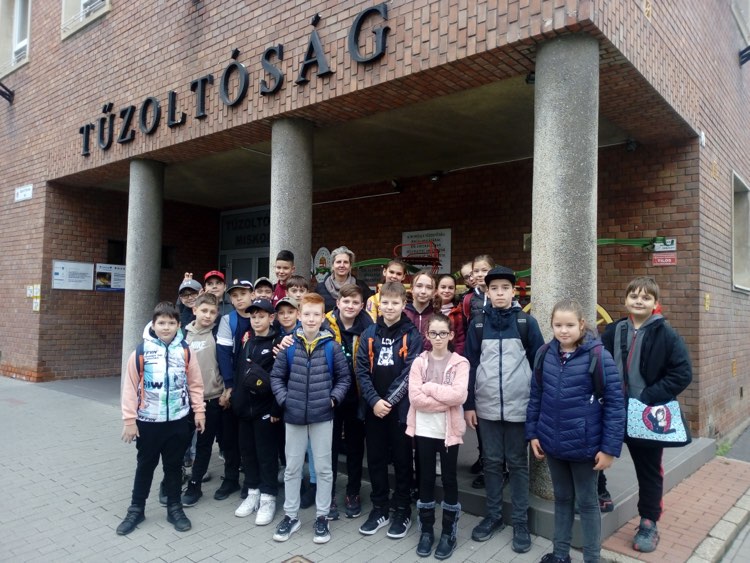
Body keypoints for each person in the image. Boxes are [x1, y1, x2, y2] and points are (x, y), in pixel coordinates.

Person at [527, 299, 625, 563]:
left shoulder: (598, 356)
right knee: (562, 499)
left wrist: (609, 449)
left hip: (585, 446)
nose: (563, 330)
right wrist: (533, 433)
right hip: (552, 443)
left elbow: (615, 405)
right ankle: (560, 554)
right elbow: (536, 396)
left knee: (588, 503)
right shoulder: (544, 354)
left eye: (569, 325)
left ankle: (592, 558)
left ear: (581, 324)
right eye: (558, 325)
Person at [602, 276, 692, 553]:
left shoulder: (666, 334)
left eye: (645, 297)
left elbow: (682, 373)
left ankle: (649, 522)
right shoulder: (613, 330)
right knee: (596, 454)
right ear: (626, 300)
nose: (639, 301)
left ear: (655, 303)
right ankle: (600, 492)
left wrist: (647, 397)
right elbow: (597, 363)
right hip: (613, 410)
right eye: (634, 296)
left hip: (646, 414)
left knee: (649, 470)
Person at [463, 266, 544, 551]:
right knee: (492, 463)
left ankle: (520, 522)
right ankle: (494, 516)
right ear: (487, 291)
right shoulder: (477, 325)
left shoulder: (526, 323)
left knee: (518, 464)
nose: (499, 293)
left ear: (513, 291)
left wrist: (537, 407)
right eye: (494, 288)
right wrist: (469, 404)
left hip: (519, 407)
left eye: (505, 288)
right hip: (486, 408)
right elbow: (470, 365)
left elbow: (539, 367)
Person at [116, 302, 205, 536]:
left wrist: (199, 411)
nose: (166, 327)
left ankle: (174, 508)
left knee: (173, 467)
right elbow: (130, 387)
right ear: (153, 325)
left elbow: (195, 384)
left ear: (178, 325)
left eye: (171, 323)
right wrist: (129, 420)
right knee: (145, 466)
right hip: (148, 423)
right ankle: (136, 509)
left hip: (178, 421)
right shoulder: (141, 352)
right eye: (161, 323)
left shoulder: (186, 351)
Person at [270, 293, 351, 544]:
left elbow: (344, 378)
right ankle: (291, 516)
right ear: (299, 315)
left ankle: (322, 516)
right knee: (292, 469)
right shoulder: (288, 345)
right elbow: (276, 377)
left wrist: (333, 399)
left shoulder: (332, 347)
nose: (311, 319)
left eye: (317, 314)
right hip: (293, 416)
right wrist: (285, 400)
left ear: (323, 316)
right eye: (307, 314)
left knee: (324, 469)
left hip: (323, 416)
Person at [356, 281, 422, 539]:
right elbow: (361, 370)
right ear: (378, 304)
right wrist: (374, 401)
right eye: (385, 302)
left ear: (404, 304)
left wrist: (389, 402)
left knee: (403, 461)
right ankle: (380, 507)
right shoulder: (369, 333)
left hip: (400, 411)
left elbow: (410, 373)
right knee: (376, 459)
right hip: (374, 410)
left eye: (395, 303)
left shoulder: (412, 335)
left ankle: (403, 509)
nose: (390, 307)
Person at [406, 313, 469, 560]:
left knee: (450, 479)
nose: (438, 338)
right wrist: (444, 399)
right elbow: (415, 399)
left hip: (448, 431)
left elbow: (459, 396)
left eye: (443, 333)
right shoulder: (419, 362)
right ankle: (426, 530)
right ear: (427, 335)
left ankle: (448, 532)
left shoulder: (460, 363)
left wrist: (430, 388)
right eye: (434, 333)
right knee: (426, 478)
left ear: (451, 335)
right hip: (423, 429)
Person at [323, 283, 373, 520]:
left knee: (355, 447)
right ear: (338, 302)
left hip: (357, 396)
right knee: (329, 447)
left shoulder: (369, 327)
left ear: (362, 305)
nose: (350, 306)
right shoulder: (325, 324)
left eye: (355, 302)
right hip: (330, 396)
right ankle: (329, 493)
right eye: (346, 301)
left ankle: (353, 491)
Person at [232, 298, 284, 525]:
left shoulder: (278, 343)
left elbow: (281, 379)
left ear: (271, 318)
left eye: (261, 316)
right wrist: (236, 402)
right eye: (253, 316)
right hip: (245, 411)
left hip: (266, 412)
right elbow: (239, 373)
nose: (256, 320)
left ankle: (268, 497)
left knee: (266, 456)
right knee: (248, 454)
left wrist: (276, 409)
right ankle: (252, 492)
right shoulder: (247, 341)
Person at [181, 294, 224, 507]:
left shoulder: (218, 333)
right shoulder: (182, 334)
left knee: (204, 445)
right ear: (195, 310)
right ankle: (173, 479)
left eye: (212, 312)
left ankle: (195, 485)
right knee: (179, 443)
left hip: (212, 398)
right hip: (185, 400)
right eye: (204, 310)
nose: (208, 315)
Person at [215, 279, 255, 501]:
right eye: (235, 295)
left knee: (249, 439)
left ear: (252, 295)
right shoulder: (227, 320)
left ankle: (251, 481)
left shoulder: (261, 315)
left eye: (243, 294)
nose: (239, 298)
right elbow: (223, 354)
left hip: (255, 388)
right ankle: (230, 479)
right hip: (233, 387)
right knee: (229, 437)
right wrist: (229, 386)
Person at [317, 245, 373, 312]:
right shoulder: (320, 288)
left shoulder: (361, 287)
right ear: (332, 265)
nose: (342, 265)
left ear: (350, 266)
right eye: (338, 262)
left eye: (346, 262)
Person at [434, 273, 466, 355]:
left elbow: (460, 340)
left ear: (455, 290)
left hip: (451, 356)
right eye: (443, 287)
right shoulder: (430, 310)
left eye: (451, 288)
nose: (447, 291)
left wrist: (454, 357)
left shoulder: (459, 311)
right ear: (436, 289)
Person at [404, 270, 436, 351]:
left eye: (429, 287)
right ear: (412, 289)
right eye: (419, 286)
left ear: (434, 292)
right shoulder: (402, 314)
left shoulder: (437, 316)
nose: (423, 291)